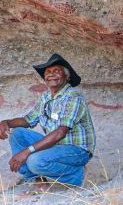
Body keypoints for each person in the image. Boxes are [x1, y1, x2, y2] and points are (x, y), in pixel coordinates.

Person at [0, 54, 96, 192]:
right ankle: (38, 181)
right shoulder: (46, 97)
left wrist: (27, 151)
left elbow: (60, 133)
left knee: (34, 161)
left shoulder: (73, 96)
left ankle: (77, 175)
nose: (51, 75)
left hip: (76, 150)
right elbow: (27, 120)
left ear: (67, 77)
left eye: (57, 71)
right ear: (45, 78)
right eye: (48, 72)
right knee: (17, 133)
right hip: (56, 146)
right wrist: (6, 122)